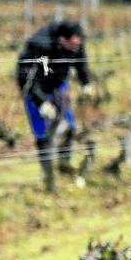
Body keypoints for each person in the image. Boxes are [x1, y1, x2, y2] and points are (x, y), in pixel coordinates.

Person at [15, 20, 94, 191]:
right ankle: (49, 180)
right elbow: (25, 77)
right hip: (35, 89)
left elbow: (81, 63)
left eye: (77, 44)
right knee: (43, 135)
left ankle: (64, 164)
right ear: (61, 39)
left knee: (70, 128)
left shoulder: (76, 43)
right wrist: (41, 103)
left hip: (59, 86)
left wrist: (86, 83)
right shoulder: (38, 45)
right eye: (72, 45)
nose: (75, 47)